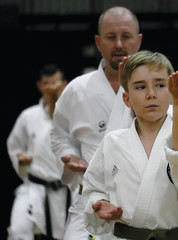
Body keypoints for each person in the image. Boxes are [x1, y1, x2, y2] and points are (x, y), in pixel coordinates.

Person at [82, 50, 178, 240]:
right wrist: (99, 203)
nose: (151, 94)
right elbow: (93, 187)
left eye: (160, 85)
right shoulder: (112, 142)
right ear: (127, 99)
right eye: (140, 87)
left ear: (173, 93)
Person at [50, 6, 143, 240]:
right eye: (111, 37)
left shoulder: (154, 87)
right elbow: (60, 134)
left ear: (139, 40)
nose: (119, 44)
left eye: (126, 36)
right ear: (98, 42)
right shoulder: (77, 90)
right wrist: (70, 155)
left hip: (140, 203)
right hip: (89, 200)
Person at [7, 64, 69, 240]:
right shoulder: (28, 116)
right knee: (19, 231)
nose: (50, 87)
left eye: (54, 83)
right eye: (46, 83)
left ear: (64, 84)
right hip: (36, 188)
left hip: (67, 190)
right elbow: (14, 145)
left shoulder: (74, 115)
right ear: (39, 86)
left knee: (83, 235)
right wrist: (20, 159)